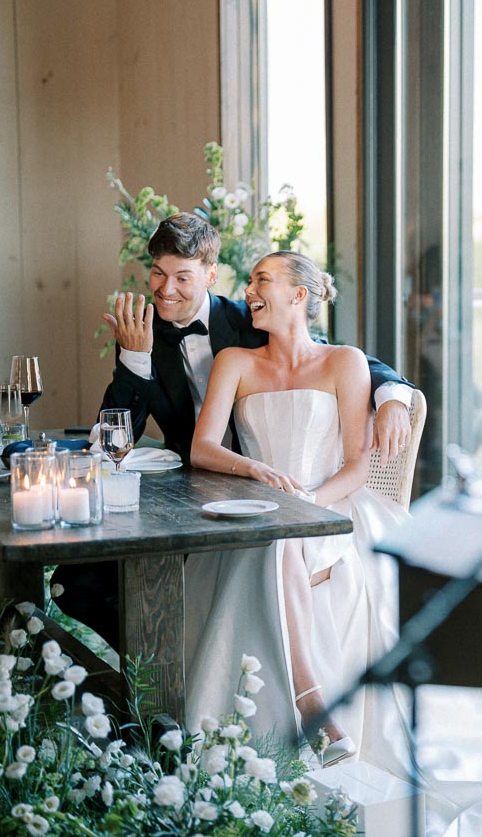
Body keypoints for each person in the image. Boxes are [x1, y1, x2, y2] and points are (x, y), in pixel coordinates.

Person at [189, 252, 482, 832]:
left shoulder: (346, 362)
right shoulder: (234, 360)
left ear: (300, 294)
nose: (250, 290)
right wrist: (258, 474)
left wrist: (310, 501)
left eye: (263, 280)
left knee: (290, 538)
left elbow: (360, 465)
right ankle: (315, 707)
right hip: (264, 505)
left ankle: (314, 705)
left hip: (335, 504)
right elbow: (203, 448)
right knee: (281, 538)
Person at [52, 212, 414, 648]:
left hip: (274, 496)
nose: (167, 291)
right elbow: (114, 434)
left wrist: (393, 394)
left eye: (183, 277)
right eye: (158, 274)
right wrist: (134, 359)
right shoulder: (144, 333)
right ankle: (155, 661)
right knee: (74, 585)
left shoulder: (252, 319)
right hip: (190, 488)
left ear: (210, 275)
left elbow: (332, 357)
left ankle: (177, 665)